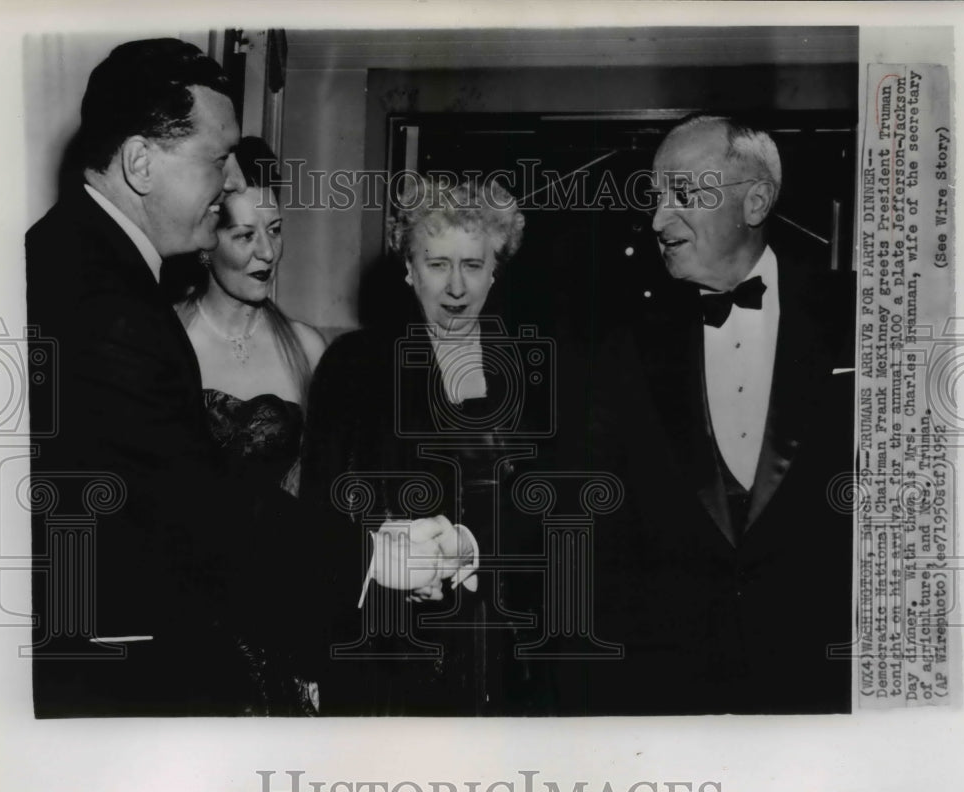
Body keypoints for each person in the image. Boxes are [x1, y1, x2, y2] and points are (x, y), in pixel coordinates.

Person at [565, 113, 855, 714]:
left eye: (683, 194)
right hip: (672, 690)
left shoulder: (862, 316)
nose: (657, 219)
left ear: (755, 201)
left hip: (823, 686)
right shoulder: (626, 345)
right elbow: (580, 497)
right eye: (655, 197)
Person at [25, 39, 271, 716]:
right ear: (139, 162)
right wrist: (371, 555)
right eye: (217, 159)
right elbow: (198, 513)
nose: (230, 185)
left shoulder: (65, 254)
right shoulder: (109, 306)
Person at [299, 176, 548, 715]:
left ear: (495, 270)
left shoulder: (535, 371)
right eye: (437, 264)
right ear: (409, 270)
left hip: (508, 647)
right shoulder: (354, 366)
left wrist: (472, 546)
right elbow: (319, 515)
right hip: (389, 652)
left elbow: (556, 511)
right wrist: (386, 554)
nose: (456, 287)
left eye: (473, 265)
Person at [177, 136, 326, 501]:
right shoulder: (166, 335)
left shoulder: (307, 348)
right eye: (245, 236)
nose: (268, 251)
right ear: (206, 245)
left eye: (274, 230)